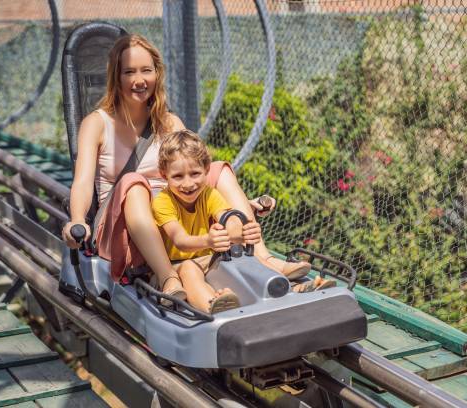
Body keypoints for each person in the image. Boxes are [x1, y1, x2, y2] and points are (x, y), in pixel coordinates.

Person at [62, 33, 311, 300]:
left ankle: (263, 257)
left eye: (146, 70)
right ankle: (168, 276)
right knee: (135, 183)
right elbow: (83, 181)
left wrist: (240, 203)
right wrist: (77, 219)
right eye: (129, 72)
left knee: (218, 169)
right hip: (124, 228)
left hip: (174, 221)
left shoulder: (169, 123)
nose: (138, 80)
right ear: (116, 77)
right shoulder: (97, 123)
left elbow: (196, 175)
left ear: (156, 74)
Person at [153, 130, 261, 313]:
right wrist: (208, 241)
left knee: (242, 258)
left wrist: (243, 232)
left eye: (195, 174)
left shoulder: (209, 194)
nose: (188, 184)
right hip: (176, 265)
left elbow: (229, 219)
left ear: (207, 170)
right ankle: (212, 304)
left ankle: (283, 287)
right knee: (189, 269)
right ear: (164, 176)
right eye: (178, 176)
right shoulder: (162, 202)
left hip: (209, 259)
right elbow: (180, 240)